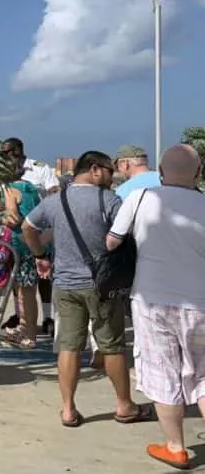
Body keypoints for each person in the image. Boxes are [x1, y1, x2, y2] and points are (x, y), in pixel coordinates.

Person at [21, 150, 153, 428]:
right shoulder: (108, 200)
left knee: (69, 346)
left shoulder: (55, 201)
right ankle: (124, 406)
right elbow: (128, 233)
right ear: (94, 169)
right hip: (102, 286)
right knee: (112, 346)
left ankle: (68, 409)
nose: (112, 177)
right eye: (109, 171)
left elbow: (27, 227)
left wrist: (40, 255)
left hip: (65, 285)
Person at [106, 144, 205, 469]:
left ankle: (175, 447)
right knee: (204, 376)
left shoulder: (140, 198)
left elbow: (112, 241)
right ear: (199, 172)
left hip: (152, 300)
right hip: (201, 302)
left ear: (160, 172)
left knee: (163, 372)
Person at [1, 137, 59, 336]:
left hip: (38, 230)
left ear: (18, 150)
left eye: (7, 152)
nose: (4, 156)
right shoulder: (5, 173)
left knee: (42, 278)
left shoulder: (39, 168)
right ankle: (20, 315)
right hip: (17, 235)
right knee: (18, 278)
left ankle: (46, 317)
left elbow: (53, 194)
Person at [0, 157, 41, 348]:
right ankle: (25, 328)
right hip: (36, 241)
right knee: (28, 290)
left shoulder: (9, 190)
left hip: (20, 243)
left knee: (25, 292)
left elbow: (13, 218)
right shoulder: (31, 188)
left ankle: (29, 334)